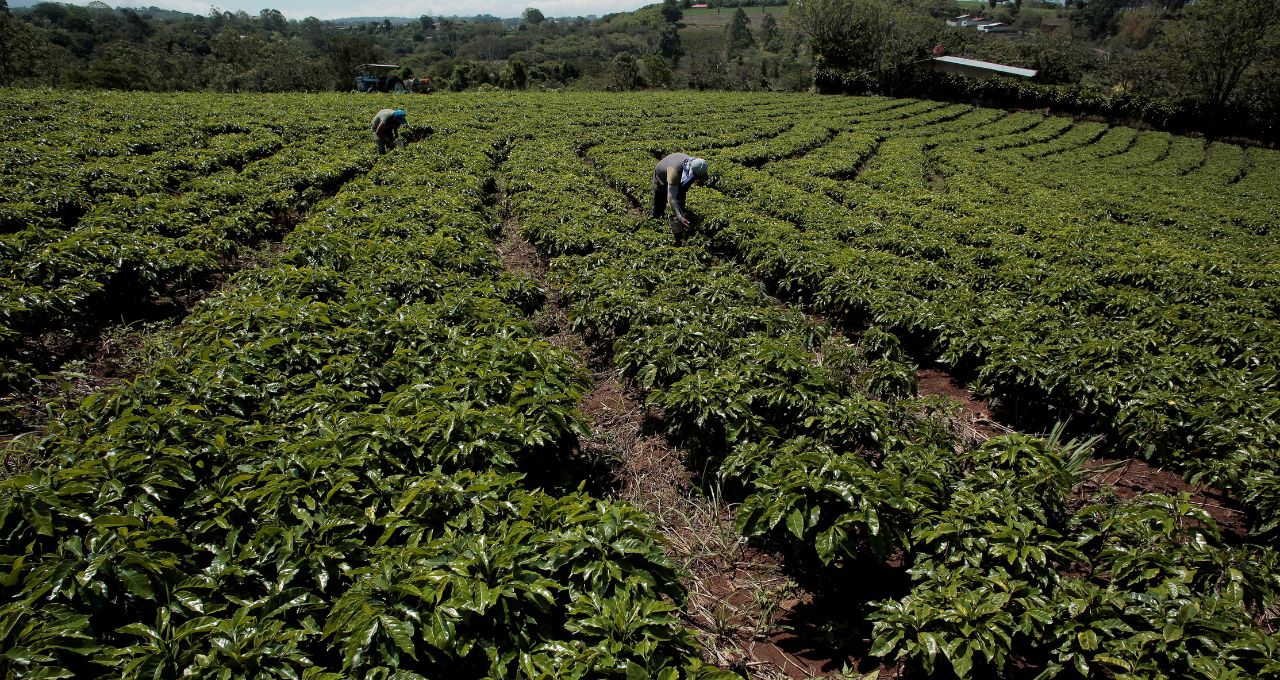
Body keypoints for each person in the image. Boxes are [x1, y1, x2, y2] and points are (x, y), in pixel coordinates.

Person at [652, 153, 709, 245]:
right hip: (661, 176)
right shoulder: (673, 172)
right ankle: (657, 225)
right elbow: (671, 198)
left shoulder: (695, 162)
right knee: (659, 204)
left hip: (675, 171)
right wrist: (679, 216)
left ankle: (680, 228)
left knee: (680, 201)